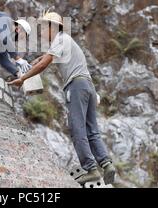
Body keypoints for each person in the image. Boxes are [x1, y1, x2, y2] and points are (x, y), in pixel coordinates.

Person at [8, 11, 116, 185]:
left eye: (44, 28)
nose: (42, 32)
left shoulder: (60, 38)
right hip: (88, 86)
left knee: (77, 127)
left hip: (76, 87)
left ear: (52, 27)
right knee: (91, 129)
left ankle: (90, 169)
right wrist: (35, 61)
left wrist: (23, 78)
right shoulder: (65, 41)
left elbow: (45, 63)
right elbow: (44, 58)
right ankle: (107, 164)